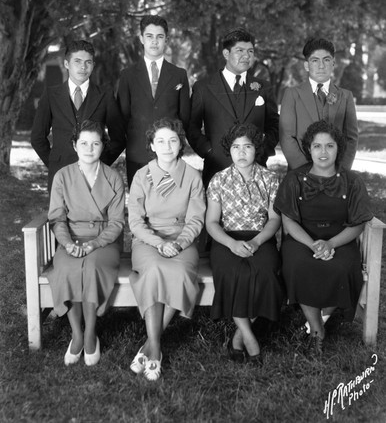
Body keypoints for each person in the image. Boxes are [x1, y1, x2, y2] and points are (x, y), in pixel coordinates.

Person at [274, 120, 373, 356]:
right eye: (317, 146)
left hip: (340, 238)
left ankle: (315, 323)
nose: (323, 152)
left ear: (338, 148)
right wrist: (312, 244)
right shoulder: (295, 179)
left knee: (342, 267)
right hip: (302, 239)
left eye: (329, 146)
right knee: (299, 264)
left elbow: (358, 223)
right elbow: (288, 221)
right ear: (309, 148)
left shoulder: (352, 181)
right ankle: (317, 330)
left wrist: (330, 244)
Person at [128, 118, 205, 381]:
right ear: (151, 145)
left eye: (173, 140)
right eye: (160, 140)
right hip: (149, 240)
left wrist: (180, 243)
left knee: (181, 273)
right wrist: (159, 243)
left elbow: (196, 219)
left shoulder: (192, 176)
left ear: (180, 143)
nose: (167, 146)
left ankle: (149, 347)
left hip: (183, 239)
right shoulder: (141, 175)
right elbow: (136, 221)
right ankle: (156, 349)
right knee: (154, 270)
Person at [47, 120, 125, 366]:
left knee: (90, 267)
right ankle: (77, 335)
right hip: (70, 238)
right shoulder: (63, 176)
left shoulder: (113, 178)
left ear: (103, 146)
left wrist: (94, 244)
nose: (89, 148)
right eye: (83, 143)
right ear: (74, 145)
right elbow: (57, 217)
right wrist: (67, 243)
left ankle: (91, 333)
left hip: (103, 242)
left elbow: (116, 223)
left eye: (95, 143)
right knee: (69, 268)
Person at [205, 123, 284, 364]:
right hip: (226, 238)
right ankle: (249, 339)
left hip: (260, 237)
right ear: (229, 150)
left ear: (256, 149)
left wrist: (258, 241)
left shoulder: (270, 179)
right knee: (233, 272)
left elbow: (274, 219)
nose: (241, 152)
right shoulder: (219, 180)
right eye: (236, 147)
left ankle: (238, 338)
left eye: (247, 146)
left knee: (267, 272)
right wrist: (231, 244)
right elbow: (211, 222)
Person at [188, 27, 279, 186]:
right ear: (226, 54)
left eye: (250, 51)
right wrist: (209, 152)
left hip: (255, 172)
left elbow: (274, 125)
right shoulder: (203, 88)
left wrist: (262, 151)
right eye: (240, 50)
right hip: (217, 171)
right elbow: (191, 126)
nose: (246, 56)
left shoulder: (263, 87)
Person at [31, 40, 126, 191]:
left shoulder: (105, 95)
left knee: (94, 214)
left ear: (93, 65)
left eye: (88, 62)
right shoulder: (51, 95)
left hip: (95, 177)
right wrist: (54, 163)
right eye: (78, 61)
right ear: (67, 64)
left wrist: (101, 162)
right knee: (59, 215)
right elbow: (37, 137)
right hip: (60, 176)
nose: (83, 67)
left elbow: (119, 138)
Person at [116, 15, 190, 187]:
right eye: (149, 36)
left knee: (169, 208)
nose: (154, 41)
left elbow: (184, 116)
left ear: (166, 40)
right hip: (137, 154)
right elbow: (122, 117)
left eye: (160, 36)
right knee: (139, 208)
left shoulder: (179, 75)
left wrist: (176, 146)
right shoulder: (127, 76)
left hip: (170, 155)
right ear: (141, 38)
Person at [279, 37, 358, 171]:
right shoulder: (292, 94)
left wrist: (340, 171)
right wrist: (307, 171)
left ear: (333, 63)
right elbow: (286, 136)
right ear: (306, 65)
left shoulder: (345, 96)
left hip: (336, 176)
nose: (321, 66)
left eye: (326, 60)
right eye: (315, 60)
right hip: (300, 175)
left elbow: (351, 138)